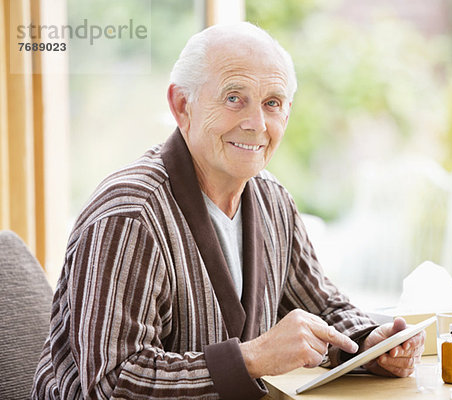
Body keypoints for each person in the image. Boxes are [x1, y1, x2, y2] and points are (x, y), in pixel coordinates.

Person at [32, 22, 424, 400]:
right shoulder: (129, 215)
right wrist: (251, 359)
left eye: (272, 104)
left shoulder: (272, 200)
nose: (256, 124)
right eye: (234, 98)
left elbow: (320, 304)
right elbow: (113, 383)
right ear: (182, 105)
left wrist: (370, 343)